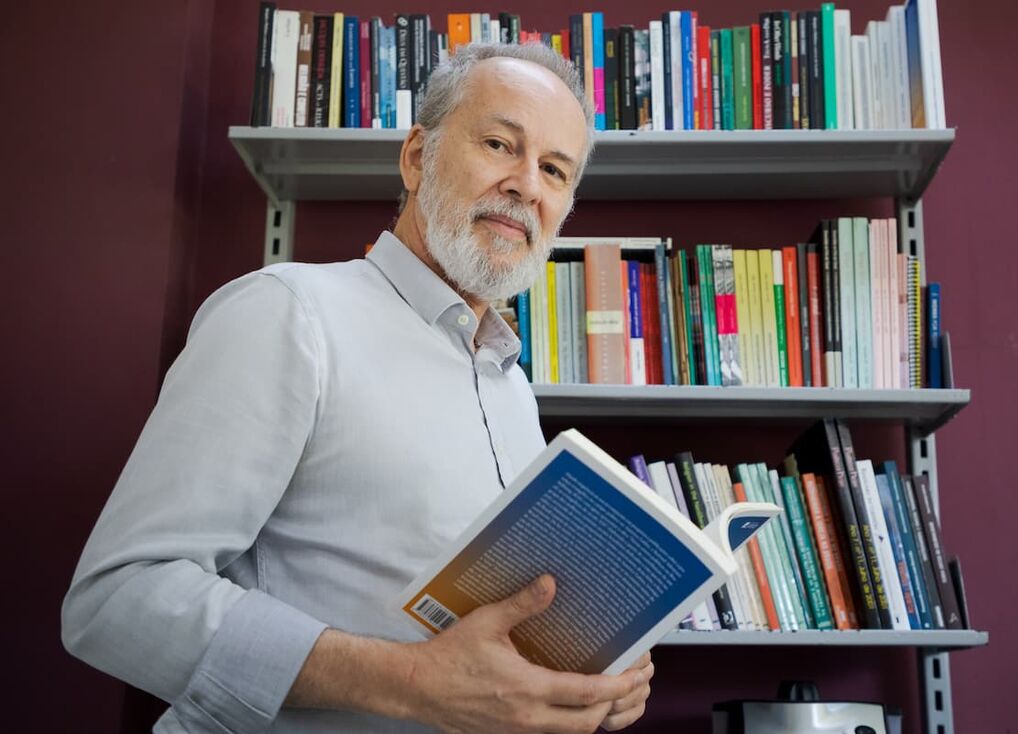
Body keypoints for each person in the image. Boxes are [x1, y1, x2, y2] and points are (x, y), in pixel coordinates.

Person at [62, 42, 654, 734]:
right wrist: (412, 682)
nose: (527, 184)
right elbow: (116, 602)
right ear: (415, 157)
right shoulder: (288, 312)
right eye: (500, 144)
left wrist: (586, 678)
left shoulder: (511, 387)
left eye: (555, 169)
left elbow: (486, 646)